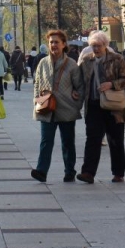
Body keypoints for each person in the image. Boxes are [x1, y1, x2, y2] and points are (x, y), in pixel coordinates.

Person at [76, 30, 125, 184]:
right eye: (93, 46)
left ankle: (118, 172)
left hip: (113, 106)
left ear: (105, 45)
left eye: (99, 46)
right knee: (92, 139)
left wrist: (112, 84)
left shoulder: (116, 59)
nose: (96, 49)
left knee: (115, 140)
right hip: (94, 104)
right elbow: (80, 81)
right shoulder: (86, 60)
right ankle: (88, 172)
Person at [30, 30, 84, 183]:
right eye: (51, 42)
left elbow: (80, 87)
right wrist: (37, 99)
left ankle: (69, 171)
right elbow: (37, 82)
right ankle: (41, 171)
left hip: (67, 109)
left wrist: (76, 104)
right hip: (46, 108)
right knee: (46, 141)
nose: (53, 45)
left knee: (67, 142)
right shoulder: (43, 63)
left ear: (63, 44)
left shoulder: (71, 64)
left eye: (56, 42)